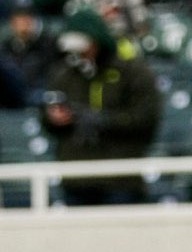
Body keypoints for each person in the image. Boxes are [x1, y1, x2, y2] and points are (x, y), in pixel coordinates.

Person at [39, 8, 159, 205]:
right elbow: (47, 116)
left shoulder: (132, 72)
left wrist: (102, 119)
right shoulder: (63, 74)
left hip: (121, 177)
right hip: (76, 177)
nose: (78, 54)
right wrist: (55, 118)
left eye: (83, 47)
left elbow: (146, 118)